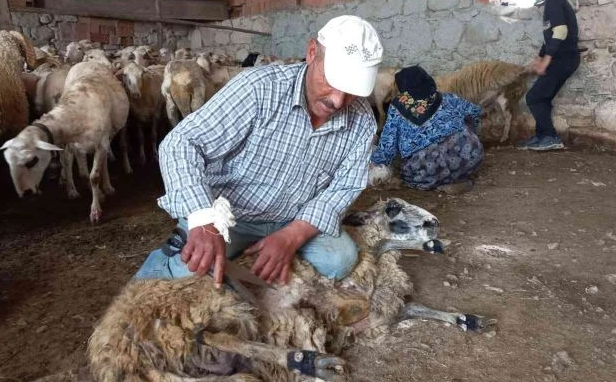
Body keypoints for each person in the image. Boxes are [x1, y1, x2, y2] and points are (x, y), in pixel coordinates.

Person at [134, 15, 382, 286]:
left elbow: (343, 189)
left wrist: (292, 236)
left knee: (340, 259)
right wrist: (203, 221)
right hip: (233, 215)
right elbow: (181, 143)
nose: (338, 100)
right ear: (312, 53)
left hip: (293, 217)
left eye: (352, 91)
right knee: (189, 272)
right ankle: (152, 279)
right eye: (333, 81)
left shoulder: (361, 121)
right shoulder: (259, 88)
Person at [368, 65, 483, 191]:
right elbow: (475, 112)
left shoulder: (398, 109)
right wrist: (471, 133)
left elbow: (387, 148)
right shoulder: (448, 98)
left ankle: (441, 184)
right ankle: (459, 179)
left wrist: (375, 161)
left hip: (428, 168)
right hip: (470, 156)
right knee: (461, 137)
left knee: (410, 172)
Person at [518, 0, 580, 151]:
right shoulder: (554, 3)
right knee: (542, 98)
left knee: (533, 97)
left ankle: (549, 137)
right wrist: (539, 57)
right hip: (566, 59)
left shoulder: (553, 0)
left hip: (563, 60)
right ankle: (543, 136)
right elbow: (551, 37)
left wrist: (546, 61)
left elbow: (560, 32)